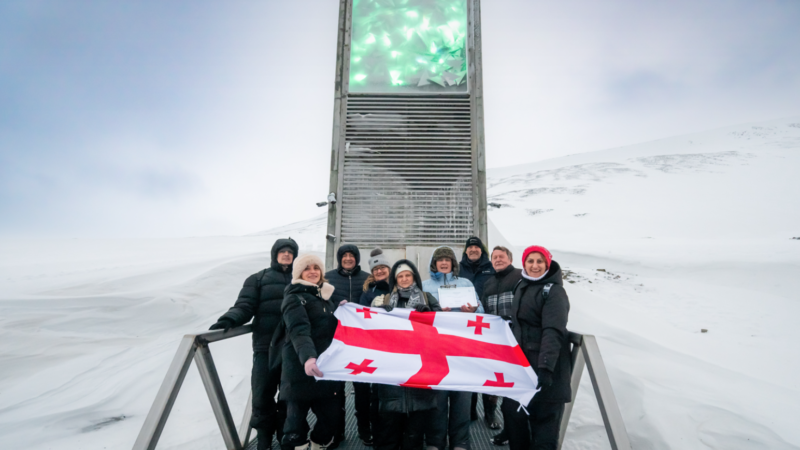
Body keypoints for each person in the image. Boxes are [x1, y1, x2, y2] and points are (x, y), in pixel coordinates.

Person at [209, 238, 298, 450]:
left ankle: (285, 437)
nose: (286, 255)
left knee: (290, 395)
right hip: (264, 347)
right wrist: (230, 319)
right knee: (262, 395)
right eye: (282, 251)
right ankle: (264, 439)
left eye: (290, 252)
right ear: (275, 254)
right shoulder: (259, 279)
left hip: (292, 349)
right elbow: (245, 305)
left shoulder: (300, 279)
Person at [502, 246, 571, 450]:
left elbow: (553, 330)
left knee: (544, 432)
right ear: (524, 264)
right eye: (530, 261)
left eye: (539, 261)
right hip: (521, 369)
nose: (534, 266)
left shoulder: (554, 291)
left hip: (546, 372)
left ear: (547, 264)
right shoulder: (522, 286)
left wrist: (546, 367)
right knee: (514, 420)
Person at [370, 259, 443, 450]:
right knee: (389, 433)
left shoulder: (428, 299)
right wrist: (378, 313)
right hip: (391, 378)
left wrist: (429, 316)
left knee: (415, 436)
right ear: (395, 279)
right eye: (400, 276)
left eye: (407, 275)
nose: (404, 279)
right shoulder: (383, 300)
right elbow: (371, 332)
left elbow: (442, 328)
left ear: (414, 277)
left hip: (419, 374)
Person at [279, 254, 344, 450]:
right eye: (307, 268)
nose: (313, 271)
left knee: (330, 416)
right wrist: (308, 358)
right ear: (299, 272)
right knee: (295, 422)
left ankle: (318, 444)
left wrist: (342, 310)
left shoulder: (326, 298)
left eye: (316, 267)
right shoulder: (294, 298)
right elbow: (299, 330)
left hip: (324, 367)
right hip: (300, 367)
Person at [422, 246, 483, 450]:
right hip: (435, 349)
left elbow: (480, 310)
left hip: (461, 349)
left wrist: (474, 310)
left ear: (454, 263)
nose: (444, 262)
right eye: (440, 260)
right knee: (437, 400)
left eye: (448, 259)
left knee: (461, 399)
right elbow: (418, 314)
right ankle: (435, 442)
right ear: (434, 263)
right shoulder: (424, 285)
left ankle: (460, 442)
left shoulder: (465, 283)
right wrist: (434, 310)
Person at [325, 244, 370, 446]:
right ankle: (337, 431)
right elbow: (322, 303)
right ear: (339, 258)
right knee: (336, 389)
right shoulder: (328, 278)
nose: (348, 258)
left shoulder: (367, 278)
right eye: (345, 255)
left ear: (357, 258)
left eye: (352, 255)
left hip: (362, 342)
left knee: (363, 388)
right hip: (337, 340)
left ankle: (364, 429)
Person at [347, 248, 393, 446]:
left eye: (383, 267)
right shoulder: (367, 293)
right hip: (369, 346)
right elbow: (361, 317)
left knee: (383, 391)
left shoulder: (397, 289)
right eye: (376, 269)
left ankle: (383, 426)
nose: (380, 271)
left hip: (391, 347)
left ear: (389, 269)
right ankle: (364, 427)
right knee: (364, 389)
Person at [480, 246, 524, 444]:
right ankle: (507, 429)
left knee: (515, 390)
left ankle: (516, 432)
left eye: (501, 257)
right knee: (500, 385)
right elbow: (484, 311)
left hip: (517, 341)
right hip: (496, 343)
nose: (497, 260)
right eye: (494, 257)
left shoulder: (519, 277)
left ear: (510, 258)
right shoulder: (489, 283)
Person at [458, 237, 496, 423]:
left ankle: (490, 412)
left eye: (476, 247)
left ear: (482, 250)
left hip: (488, 322)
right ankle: (470, 410)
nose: (473, 250)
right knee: (470, 366)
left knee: (489, 367)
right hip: (467, 325)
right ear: (466, 251)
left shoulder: (491, 267)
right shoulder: (458, 268)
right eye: (470, 247)